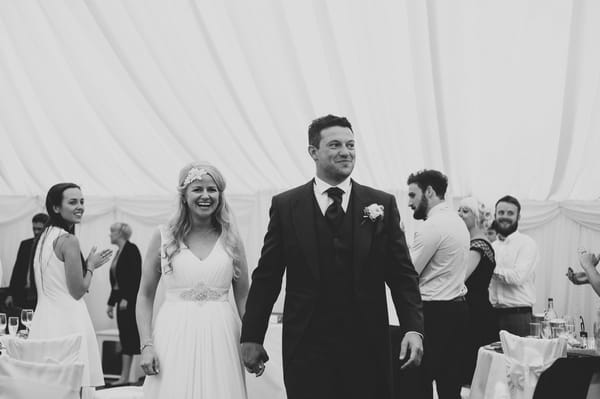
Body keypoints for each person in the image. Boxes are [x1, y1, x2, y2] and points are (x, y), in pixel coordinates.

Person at [241, 115, 424, 399]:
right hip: (306, 345)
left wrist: (413, 328)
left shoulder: (381, 204)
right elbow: (267, 276)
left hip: (367, 344)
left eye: (351, 145)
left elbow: (402, 275)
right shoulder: (287, 205)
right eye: (335, 145)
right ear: (313, 152)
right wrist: (252, 336)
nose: (346, 152)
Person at [137, 162, 250, 399]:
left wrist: (252, 341)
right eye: (198, 189)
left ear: (220, 195)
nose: (206, 196)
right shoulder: (163, 237)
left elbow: (243, 297)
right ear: (184, 196)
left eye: (212, 189)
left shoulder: (232, 238)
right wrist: (146, 346)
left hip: (222, 335)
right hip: (173, 333)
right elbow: (145, 295)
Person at [29, 183, 113, 397]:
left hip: (44, 319)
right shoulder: (68, 240)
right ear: (56, 208)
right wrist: (91, 266)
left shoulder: (42, 238)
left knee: (47, 386)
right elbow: (78, 290)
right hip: (69, 320)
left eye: (82, 201)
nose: (80, 206)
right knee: (74, 386)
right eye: (73, 202)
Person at [406, 169, 469, 399]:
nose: (410, 203)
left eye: (413, 195)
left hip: (433, 314)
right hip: (458, 311)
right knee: (450, 385)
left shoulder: (432, 226)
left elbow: (409, 273)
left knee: (418, 383)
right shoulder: (457, 222)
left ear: (430, 192)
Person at [457, 197, 499, 384]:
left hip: (476, 314)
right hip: (473, 311)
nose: (459, 214)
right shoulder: (471, 242)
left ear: (478, 217)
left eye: (465, 211)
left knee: (471, 374)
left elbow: (460, 278)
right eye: (459, 210)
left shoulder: (478, 245)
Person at [489, 195, 539, 337]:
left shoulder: (527, 243)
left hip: (518, 316)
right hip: (492, 314)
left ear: (518, 217)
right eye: (501, 213)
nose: (505, 217)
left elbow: (518, 277)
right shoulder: (492, 246)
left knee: (520, 359)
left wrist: (488, 269)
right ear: (495, 215)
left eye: (510, 213)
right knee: (494, 358)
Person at [106, 222, 142, 385]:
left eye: (112, 231)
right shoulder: (119, 252)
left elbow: (136, 276)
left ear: (120, 233)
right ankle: (125, 376)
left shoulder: (131, 250)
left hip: (130, 302)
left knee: (130, 337)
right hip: (121, 301)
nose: (110, 234)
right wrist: (111, 303)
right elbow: (116, 283)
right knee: (125, 337)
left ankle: (127, 376)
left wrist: (127, 298)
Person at [4, 213, 49, 313]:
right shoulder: (25, 244)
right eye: (34, 228)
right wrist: (10, 294)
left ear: (46, 229)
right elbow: (17, 270)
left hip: (42, 296)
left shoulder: (51, 247)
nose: (36, 232)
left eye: (39, 229)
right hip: (22, 294)